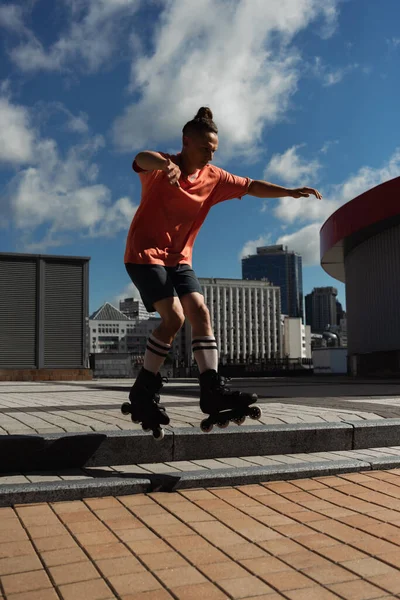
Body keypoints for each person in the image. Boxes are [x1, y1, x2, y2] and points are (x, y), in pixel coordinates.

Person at [124, 107, 322, 430]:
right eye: (204, 149)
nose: (209, 156)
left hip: (179, 258)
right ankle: (143, 390)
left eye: (213, 151)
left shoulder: (213, 178)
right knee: (174, 317)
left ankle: (212, 390)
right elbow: (139, 158)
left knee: (200, 311)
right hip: (144, 254)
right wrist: (165, 164)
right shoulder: (162, 167)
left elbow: (252, 185)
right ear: (186, 142)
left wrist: (288, 191)